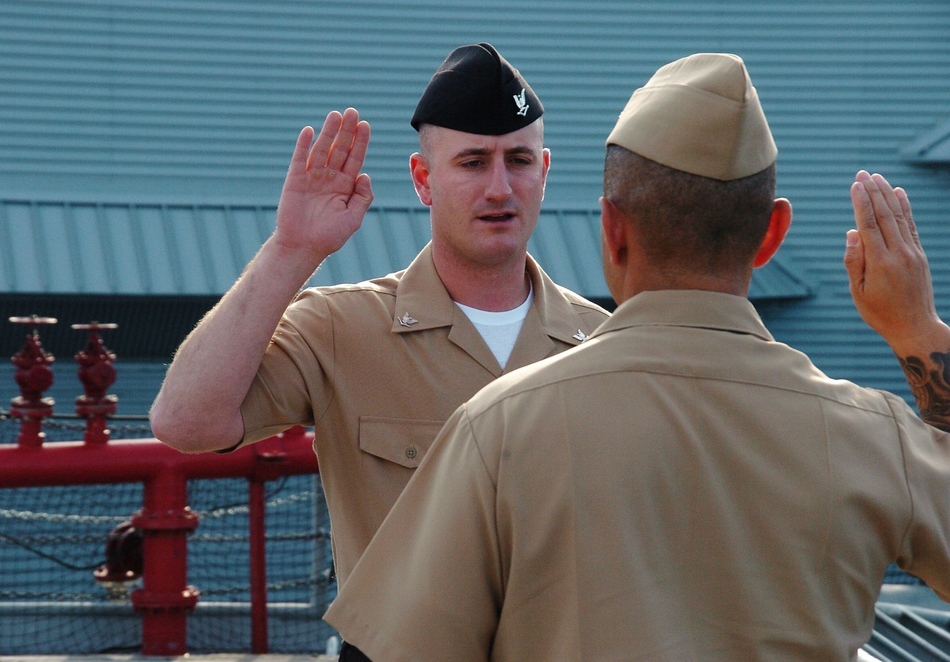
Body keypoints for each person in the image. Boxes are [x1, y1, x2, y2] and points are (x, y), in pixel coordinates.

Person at [324, 53, 950, 661]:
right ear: (771, 234)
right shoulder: (877, 438)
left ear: (613, 228)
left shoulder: (500, 426)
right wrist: (918, 330)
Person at [148, 42, 609, 597]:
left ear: (545, 170)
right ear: (422, 178)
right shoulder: (341, 329)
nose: (499, 188)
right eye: (471, 162)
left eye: (519, 160)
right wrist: (292, 249)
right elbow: (185, 421)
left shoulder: (603, 345)